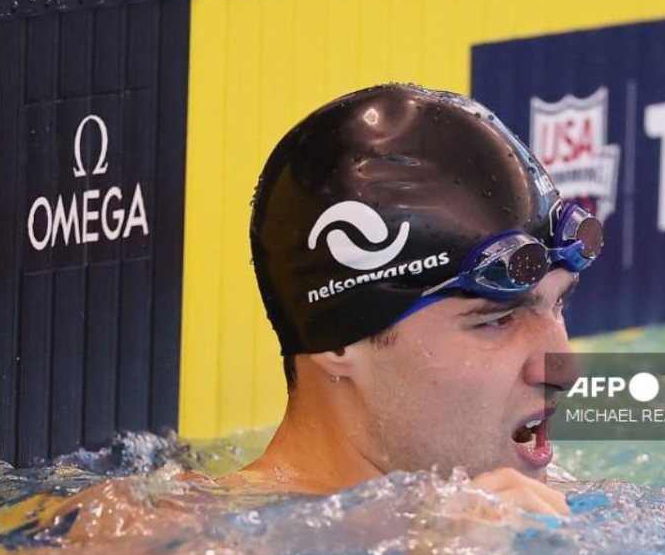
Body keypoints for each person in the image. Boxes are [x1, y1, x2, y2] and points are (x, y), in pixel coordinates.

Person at [231, 84, 605, 518]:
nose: (564, 368)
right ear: (338, 340)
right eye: (496, 320)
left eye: (557, 305)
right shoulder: (184, 541)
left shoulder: (574, 506)